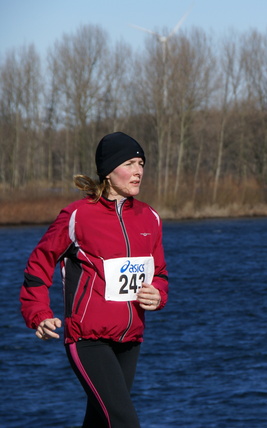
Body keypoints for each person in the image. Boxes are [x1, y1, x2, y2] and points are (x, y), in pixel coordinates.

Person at [20, 132, 169, 428]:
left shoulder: (149, 217)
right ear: (108, 172)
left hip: (130, 339)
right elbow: (39, 263)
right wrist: (38, 313)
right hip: (88, 339)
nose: (138, 171)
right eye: (129, 163)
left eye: (141, 163)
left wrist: (158, 295)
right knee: (124, 422)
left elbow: (160, 273)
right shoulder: (78, 216)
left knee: (101, 422)